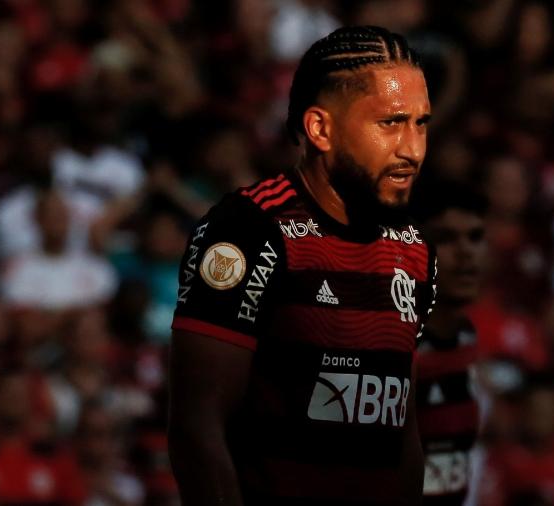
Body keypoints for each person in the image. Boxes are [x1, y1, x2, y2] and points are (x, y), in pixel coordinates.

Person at [168, 26, 434, 506]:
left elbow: (403, 429)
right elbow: (198, 427)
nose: (411, 149)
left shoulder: (414, 248)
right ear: (320, 129)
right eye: (390, 123)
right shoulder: (248, 229)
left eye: (420, 124)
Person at [410, 180, 487, 505]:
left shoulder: (468, 338)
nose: (466, 252)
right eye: (446, 238)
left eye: (476, 237)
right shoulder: (389, 350)